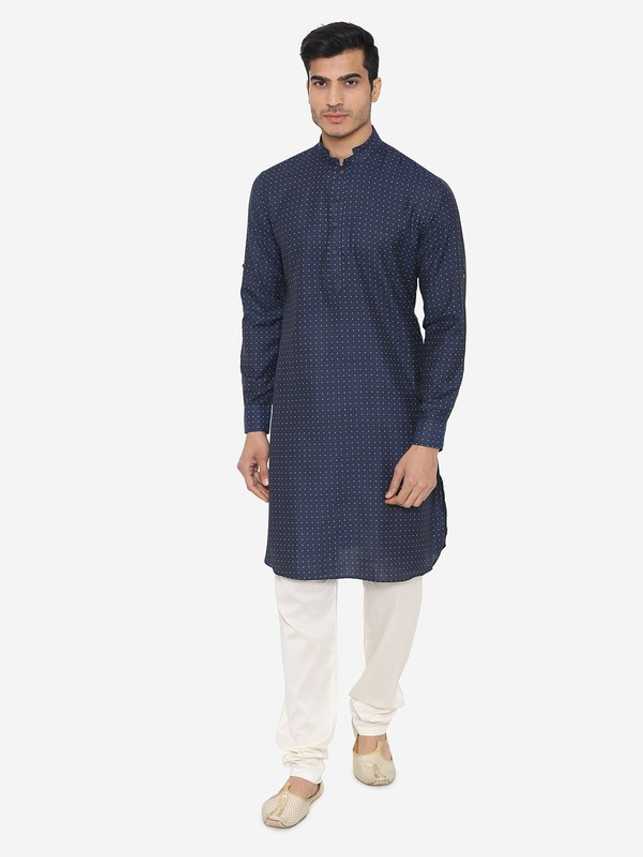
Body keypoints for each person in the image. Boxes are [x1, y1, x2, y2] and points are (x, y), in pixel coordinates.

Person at [237, 21, 466, 828]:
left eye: (348, 80)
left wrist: (428, 436)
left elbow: (447, 324)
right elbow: (260, 310)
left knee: (394, 584)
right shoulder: (274, 189)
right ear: (306, 87)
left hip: (389, 421)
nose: (333, 98)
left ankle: (373, 720)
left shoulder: (422, 193)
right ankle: (304, 763)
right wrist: (255, 421)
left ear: (375, 85)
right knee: (300, 592)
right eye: (319, 82)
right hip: (301, 420)